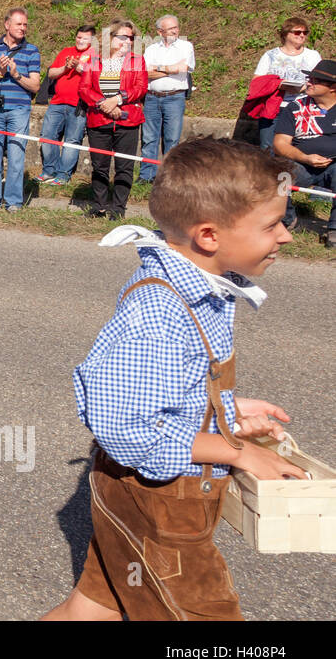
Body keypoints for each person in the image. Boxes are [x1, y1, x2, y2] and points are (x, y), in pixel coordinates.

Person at [44, 139, 302, 621]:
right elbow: (126, 428)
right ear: (208, 235)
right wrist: (237, 451)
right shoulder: (159, 311)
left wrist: (226, 409)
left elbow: (168, 387)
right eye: (272, 224)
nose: (286, 235)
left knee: (93, 608)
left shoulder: (200, 286)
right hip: (159, 506)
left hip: (142, 502)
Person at [78, 18, 147, 219]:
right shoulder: (94, 60)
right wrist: (104, 104)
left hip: (128, 120)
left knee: (124, 166)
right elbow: (84, 89)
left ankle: (118, 208)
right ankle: (99, 205)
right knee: (100, 164)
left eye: (131, 38)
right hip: (99, 119)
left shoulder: (137, 61)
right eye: (123, 37)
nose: (128, 41)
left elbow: (140, 87)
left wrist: (118, 99)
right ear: (110, 37)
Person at [0, 8, 41, 212]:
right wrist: (0, 71)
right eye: (18, 24)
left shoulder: (32, 51)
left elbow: (35, 86)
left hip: (19, 109)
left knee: (16, 155)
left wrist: (15, 74)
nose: (23, 28)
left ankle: (14, 201)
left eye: (25, 24)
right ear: (7, 25)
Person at [272, 59, 336, 246]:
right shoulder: (296, 107)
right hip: (300, 163)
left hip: (334, 165)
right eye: (309, 78)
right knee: (278, 174)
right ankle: (287, 220)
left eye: (315, 80)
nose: (308, 82)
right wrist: (305, 158)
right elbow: (279, 144)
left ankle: (334, 229)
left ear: (332, 87)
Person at [236, 16, 322, 149]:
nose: (301, 36)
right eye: (297, 32)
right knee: (268, 145)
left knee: (299, 146)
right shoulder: (270, 55)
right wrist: (278, 85)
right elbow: (256, 82)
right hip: (274, 106)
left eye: (305, 33)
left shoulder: (313, 56)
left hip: (302, 107)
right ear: (285, 34)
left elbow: (320, 82)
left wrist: (304, 88)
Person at [138, 14, 195, 182]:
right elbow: (144, 73)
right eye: (170, 29)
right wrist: (171, 68)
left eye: (176, 27)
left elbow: (184, 68)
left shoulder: (185, 46)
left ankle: (168, 177)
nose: (175, 31)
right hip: (151, 98)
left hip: (174, 98)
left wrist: (158, 68)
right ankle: (146, 175)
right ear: (160, 32)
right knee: (149, 138)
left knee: (172, 139)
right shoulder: (151, 49)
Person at [37, 25, 95, 185]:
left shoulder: (95, 55)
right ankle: (49, 171)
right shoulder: (65, 52)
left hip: (79, 105)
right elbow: (51, 73)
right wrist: (65, 67)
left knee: (72, 140)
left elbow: (95, 75)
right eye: (78, 37)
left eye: (85, 38)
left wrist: (78, 67)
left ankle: (63, 175)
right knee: (47, 136)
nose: (80, 40)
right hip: (56, 102)